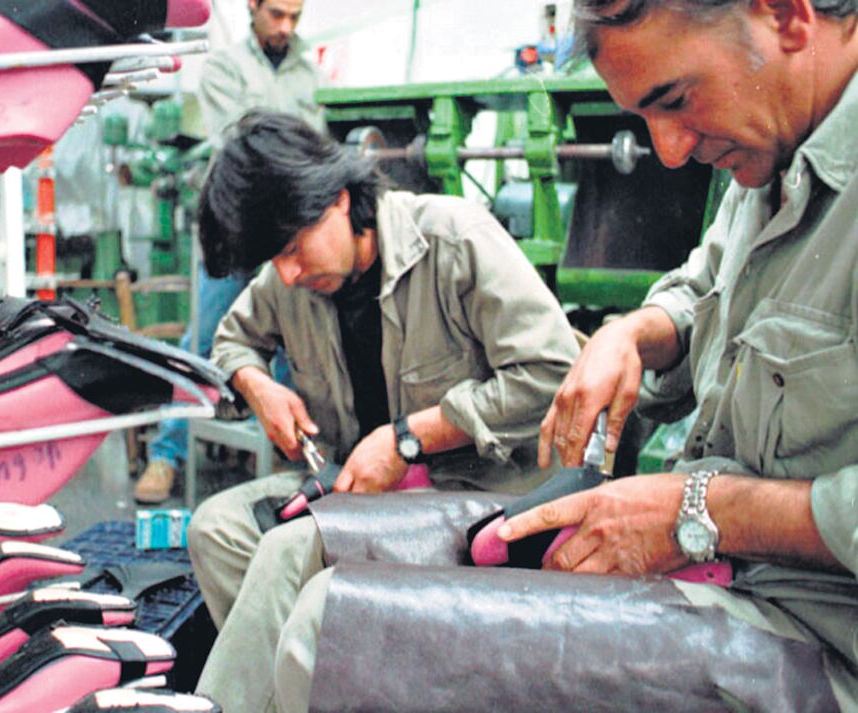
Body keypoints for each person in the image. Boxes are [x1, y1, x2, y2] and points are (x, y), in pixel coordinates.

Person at [259, 0, 858, 710]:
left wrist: (703, 509)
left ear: (787, 16)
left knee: (335, 629)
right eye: (644, 115)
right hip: (717, 569)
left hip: (815, 641)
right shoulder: (772, 151)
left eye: (677, 99)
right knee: (301, 551)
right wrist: (632, 333)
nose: (668, 149)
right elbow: (706, 290)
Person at [186, 110, 580, 708]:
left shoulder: (454, 240)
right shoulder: (292, 277)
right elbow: (233, 339)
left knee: (294, 547)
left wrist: (409, 438)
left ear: (340, 199)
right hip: (357, 493)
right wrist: (257, 384)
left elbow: (552, 375)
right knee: (217, 529)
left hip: (474, 497)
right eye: (274, 260)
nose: (287, 275)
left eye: (293, 249)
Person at [134, 0, 324, 504]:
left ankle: (287, 462)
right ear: (252, 8)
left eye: (295, 17)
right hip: (238, 224)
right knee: (206, 339)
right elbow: (243, 143)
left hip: (288, 225)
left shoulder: (310, 68)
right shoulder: (224, 67)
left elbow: (317, 144)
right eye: (277, 14)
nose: (286, 27)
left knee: (291, 344)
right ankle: (166, 456)